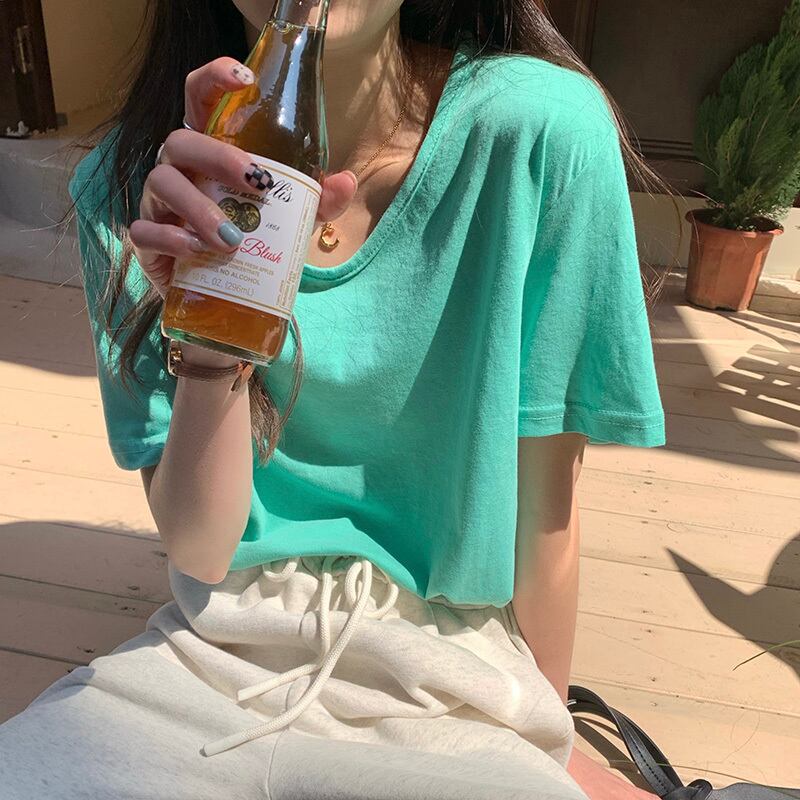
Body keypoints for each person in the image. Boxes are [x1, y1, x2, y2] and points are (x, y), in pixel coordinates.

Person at [0, 1, 666, 798]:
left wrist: (548, 746)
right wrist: (212, 326)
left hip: (456, 692)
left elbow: (545, 508)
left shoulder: (538, 131)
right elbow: (203, 549)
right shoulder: (140, 181)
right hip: (204, 668)